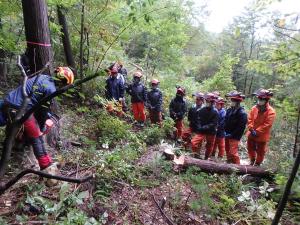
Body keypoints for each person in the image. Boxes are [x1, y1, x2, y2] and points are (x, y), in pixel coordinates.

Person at [2, 66, 74, 184]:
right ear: (63, 82)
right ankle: (48, 172)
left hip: (10, 102)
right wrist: (41, 128)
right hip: (20, 108)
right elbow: (42, 112)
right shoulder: (50, 89)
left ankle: (19, 147)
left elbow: (37, 104)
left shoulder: (43, 77)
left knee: (24, 131)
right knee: (37, 138)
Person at [247, 89, 276, 166]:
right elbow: (250, 119)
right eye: (259, 98)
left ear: (266, 100)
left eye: (261, 99)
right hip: (251, 132)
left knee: (260, 151)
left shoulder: (271, 111)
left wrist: (257, 131)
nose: (259, 100)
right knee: (250, 148)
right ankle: (252, 160)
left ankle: (257, 163)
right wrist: (251, 128)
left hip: (262, 135)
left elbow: (267, 124)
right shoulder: (254, 108)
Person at [191, 93, 218, 159]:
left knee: (209, 146)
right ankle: (196, 155)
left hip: (211, 131)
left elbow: (214, 123)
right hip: (201, 131)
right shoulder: (201, 110)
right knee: (194, 142)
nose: (208, 103)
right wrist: (199, 126)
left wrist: (205, 127)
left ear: (213, 102)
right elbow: (198, 119)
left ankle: (206, 158)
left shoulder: (215, 112)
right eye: (207, 101)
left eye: (210, 102)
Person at [224, 91, 247, 164]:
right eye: (231, 100)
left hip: (235, 136)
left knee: (233, 152)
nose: (231, 102)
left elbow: (241, 127)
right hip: (227, 133)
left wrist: (232, 134)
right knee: (227, 150)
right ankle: (229, 163)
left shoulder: (242, 113)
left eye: (233, 100)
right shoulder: (229, 110)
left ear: (238, 102)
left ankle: (238, 168)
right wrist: (224, 131)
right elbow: (226, 121)